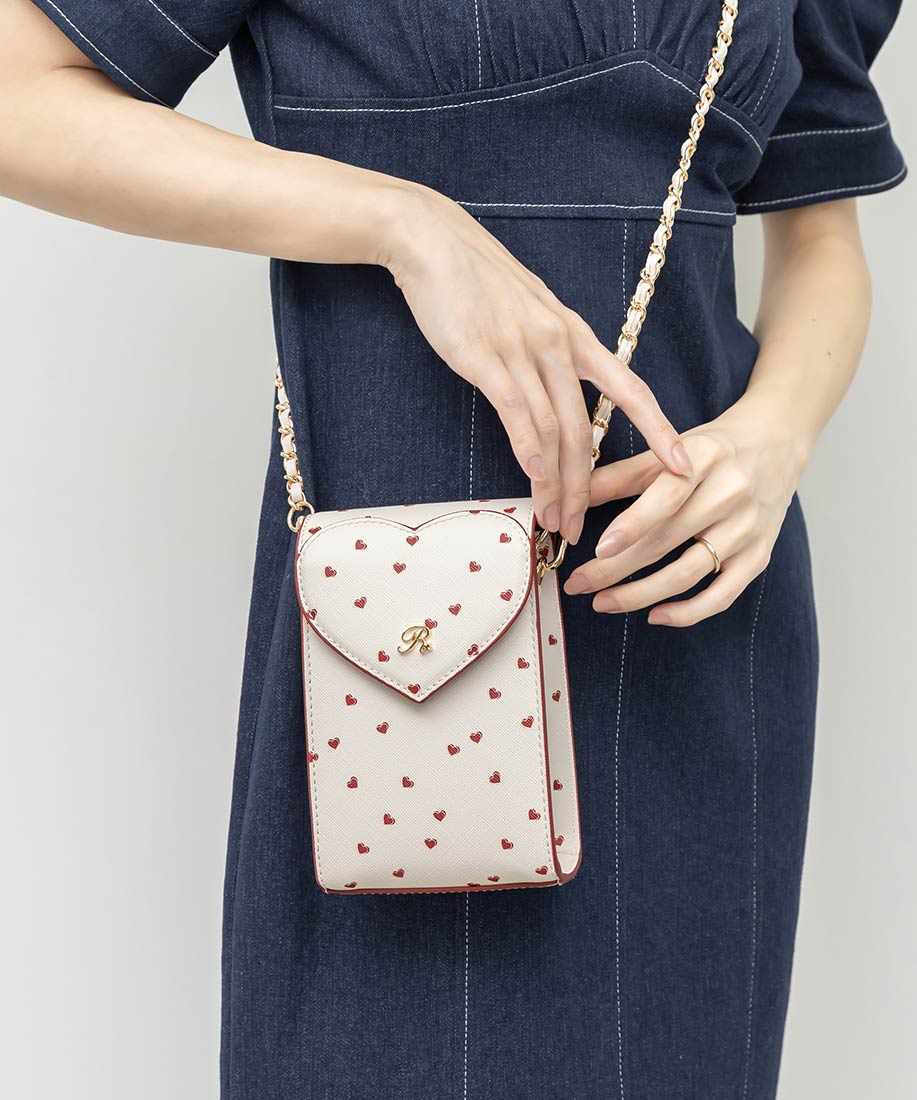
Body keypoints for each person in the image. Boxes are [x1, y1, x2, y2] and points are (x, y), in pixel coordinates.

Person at [0, 1, 906, 1097]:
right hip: (400, 647)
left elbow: (818, 236)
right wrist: (401, 224)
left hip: (684, 608)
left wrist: (776, 434)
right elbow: (18, 95)